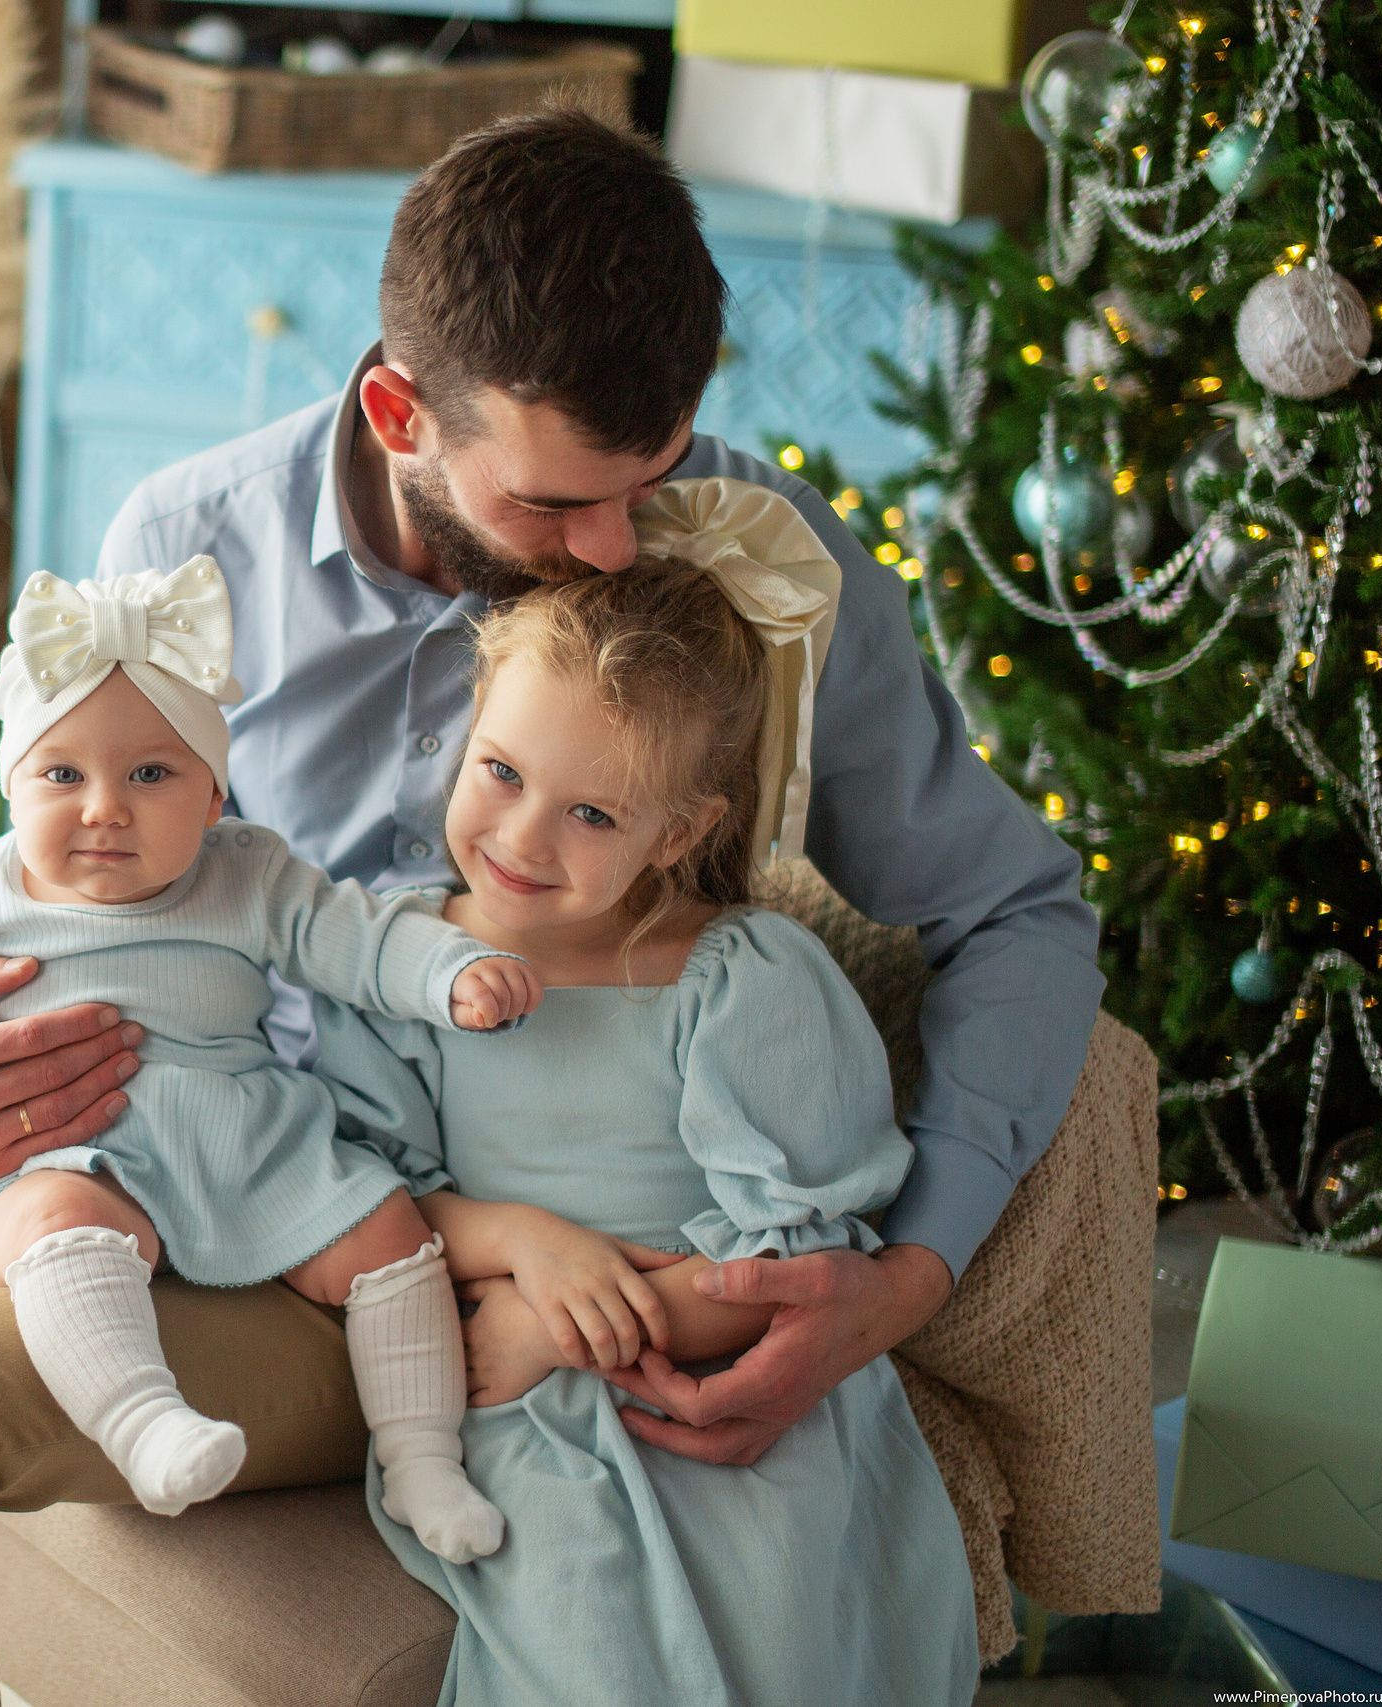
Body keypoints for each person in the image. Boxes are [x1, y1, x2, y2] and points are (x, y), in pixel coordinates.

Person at [0, 112, 1102, 1707]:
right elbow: (61, 857)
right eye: (549, 504)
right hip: (112, 1122)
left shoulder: (751, 573)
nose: (610, 550)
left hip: (360, 1249)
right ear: (399, 410)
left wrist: (909, 1271)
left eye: (645, 479)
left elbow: (1017, 910)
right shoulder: (185, 543)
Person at [321, 552, 978, 1705]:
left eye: (591, 812)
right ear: (467, 729)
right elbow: (361, 1193)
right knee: (585, 1640)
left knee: (773, 1641)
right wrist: (520, 1242)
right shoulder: (400, 964)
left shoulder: (741, 979)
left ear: (681, 832)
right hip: (518, 1400)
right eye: (501, 772)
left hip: (715, 1377)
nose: (523, 838)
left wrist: (559, 1327)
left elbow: (807, 1262)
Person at [0, 556, 529, 1554]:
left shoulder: (248, 875)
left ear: (215, 797)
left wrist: (448, 972)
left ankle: (422, 1460)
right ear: (10, 785)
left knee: (388, 1233)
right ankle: (143, 1424)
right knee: (52, 1226)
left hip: (244, 1140)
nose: (105, 808)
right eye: (62, 774)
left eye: (151, 774)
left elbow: (357, 937)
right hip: (66, 1155)